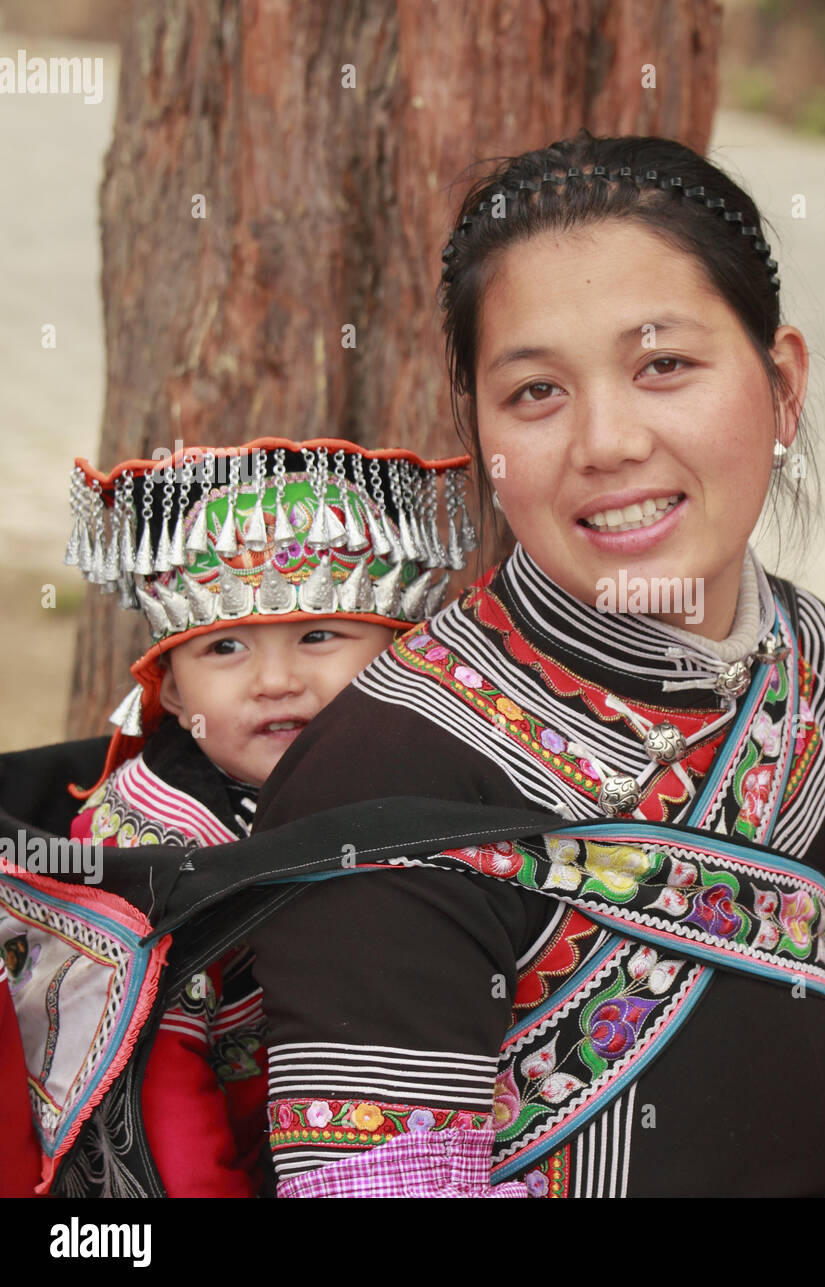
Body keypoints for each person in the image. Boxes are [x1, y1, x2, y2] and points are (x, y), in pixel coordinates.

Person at [246, 131, 825, 1198]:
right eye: (536, 392)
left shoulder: (811, 664)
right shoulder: (393, 778)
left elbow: (809, 997)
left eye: (663, 365)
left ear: (783, 385)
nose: (607, 442)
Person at [9, 436, 469, 1196]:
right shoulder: (145, 843)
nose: (277, 680)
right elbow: (159, 1104)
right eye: (225, 647)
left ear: (403, 653)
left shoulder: (447, 792)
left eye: (319, 636)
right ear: (175, 696)